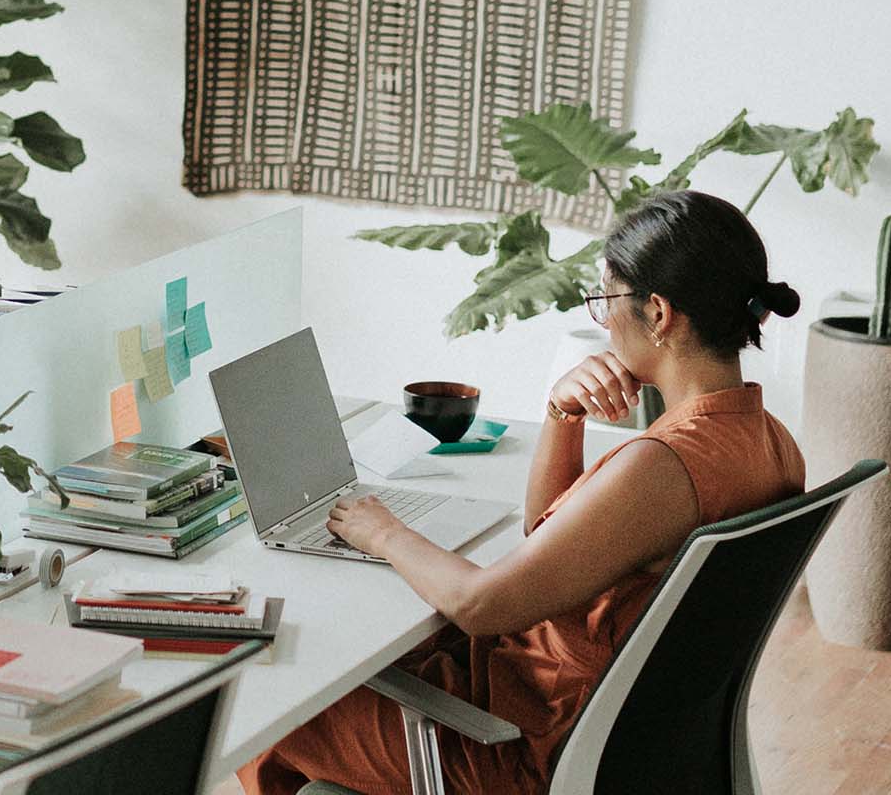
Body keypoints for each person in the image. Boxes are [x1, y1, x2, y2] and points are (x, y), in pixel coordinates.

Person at [239, 189, 806, 794]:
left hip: (525, 742)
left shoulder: (661, 464)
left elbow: (485, 607)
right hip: (617, 735)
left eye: (606, 300)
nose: (605, 320)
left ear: (660, 314)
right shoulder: (769, 443)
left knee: (267, 714)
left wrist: (385, 533)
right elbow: (550, 538)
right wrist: (562, 416)